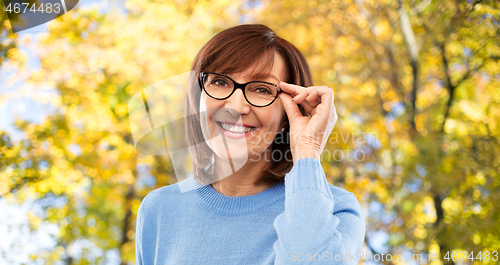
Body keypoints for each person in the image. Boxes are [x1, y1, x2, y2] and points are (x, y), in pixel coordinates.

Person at [135, 24, 365, 264]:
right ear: (198, 98)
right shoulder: (159, 209)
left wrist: (307, 148)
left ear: (290, 113)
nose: (235, 107)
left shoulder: (336, 212)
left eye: (262, 89)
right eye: (220, 82)